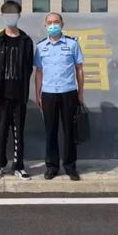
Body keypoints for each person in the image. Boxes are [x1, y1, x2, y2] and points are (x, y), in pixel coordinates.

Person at [34, 12, 85, 181]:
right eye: (49, 22)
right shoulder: (41, 46)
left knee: (69, 131)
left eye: (56, 22)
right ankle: (52, 166)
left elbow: (79, 69)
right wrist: (38, 93)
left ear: (62, 24)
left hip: (68, 92)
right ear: (45, 25)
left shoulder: (72, 44)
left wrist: (80, 93)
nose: (53, 25)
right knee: (50, 131)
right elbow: (39, 72)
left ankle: (70, 166)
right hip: (48, 94)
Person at [0, 0, 34, 180]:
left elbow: (29, 67)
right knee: (1, 130)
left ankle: (19, 165)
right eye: (7, 13)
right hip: (1, 94)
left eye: (13, 13)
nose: (10, 16)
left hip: (19, 94)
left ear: (19, 15)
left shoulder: (26, 41)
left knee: (18, 131)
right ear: (2, 15)